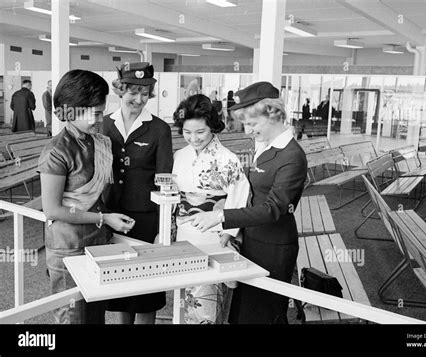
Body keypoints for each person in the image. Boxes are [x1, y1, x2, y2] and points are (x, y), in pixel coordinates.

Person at [182, 82, 308, 324]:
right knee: (244, 312)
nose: (248, 130)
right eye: (246, 124)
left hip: (273, 246)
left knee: (264, 313)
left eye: (252, 124)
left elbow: (273, 208)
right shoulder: (265, 144)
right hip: (253, 240)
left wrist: (221, 216)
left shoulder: (291, 156)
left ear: (273, 114)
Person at [38, 69, 136, 324]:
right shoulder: (56, 152)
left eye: (101, 112)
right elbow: (53, 210)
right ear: (72, 110)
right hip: (68, 246)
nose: (99, 119)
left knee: (95, 315)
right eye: (94, 113)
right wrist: (105, 218)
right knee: (72, 316)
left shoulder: (99, 142)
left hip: (97, 241)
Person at [102, 62, 173, 325]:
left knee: (146, 288)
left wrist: (164, 226)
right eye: (133, 92)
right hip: (112, 214)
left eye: (145, 93)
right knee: (121, 284)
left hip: (146, 217)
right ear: (120, 90)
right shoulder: (103, 125)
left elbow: (165, 178)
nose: (139, 99)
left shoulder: (159, 129)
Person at [172, 94, 250, 324]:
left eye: (200, 132)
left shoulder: (228, 159)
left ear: (212, 128)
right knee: (182, 298)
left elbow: (239, 199)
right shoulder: (179, 156)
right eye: (187, 132)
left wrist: (228, 232)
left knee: (207, 300)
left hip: (214, 234)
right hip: (184, 234)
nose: (193, 139)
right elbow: (175, 197)